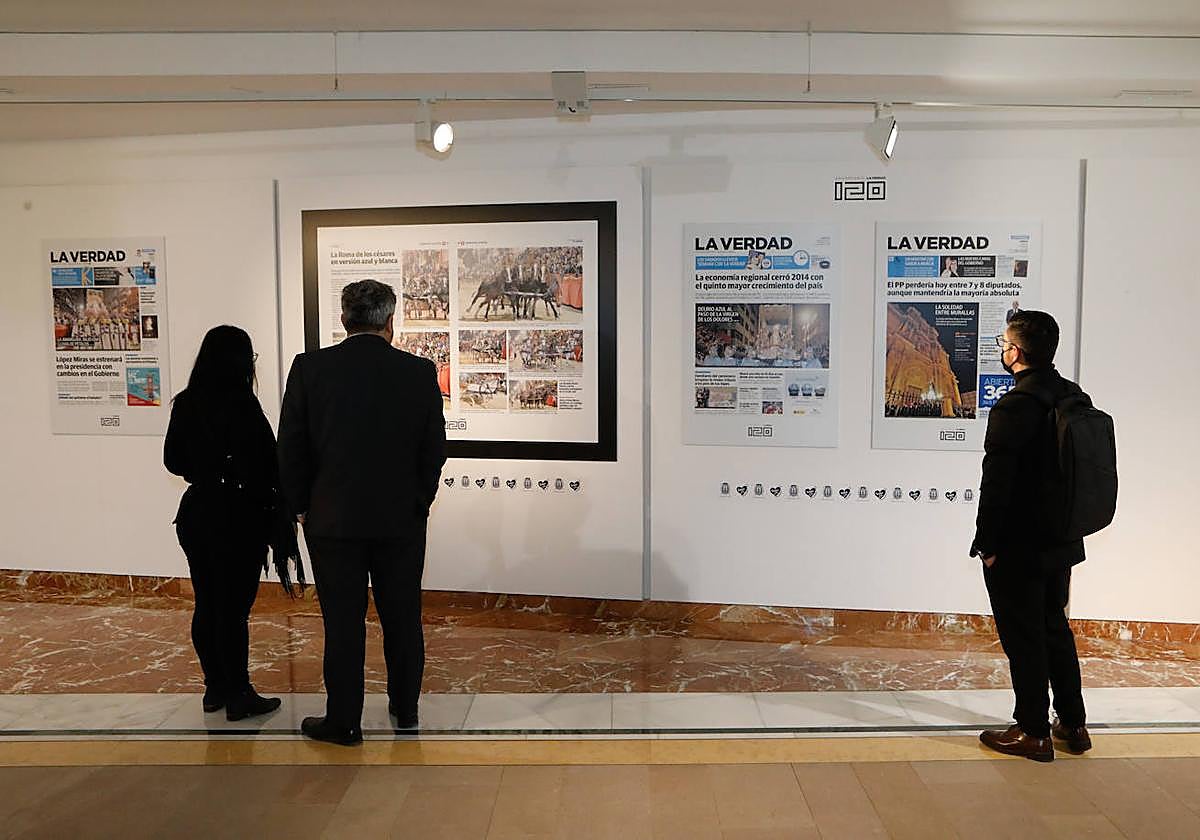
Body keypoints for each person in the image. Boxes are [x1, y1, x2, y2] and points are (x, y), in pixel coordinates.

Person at [278, 279, 447, 746]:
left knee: (343, 622)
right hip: (400, 521)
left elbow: (290, 445)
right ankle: (406, 707)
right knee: (402, 616)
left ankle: (345, 720)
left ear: (343, 319)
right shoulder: (417, 372)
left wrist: (303, 508)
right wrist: (420, 501)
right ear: (390, 322)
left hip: (332, 521)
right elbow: (434, 448)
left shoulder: (311, 369)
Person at [971, 310, 1090, 762]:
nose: (1002, 350)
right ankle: (1073, 725)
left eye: (1004, 343)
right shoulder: (1071, 395)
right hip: (1061, 537)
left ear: (1015, 352)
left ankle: (1033, 730)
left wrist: (987, 545)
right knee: (1054, 627)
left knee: (1023, 637)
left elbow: (996, 484)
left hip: (1019, 543)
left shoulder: (1016, 405)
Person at [164, 326, 289, 722]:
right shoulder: (243, 405)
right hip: (239, 516)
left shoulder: (186, 403)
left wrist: (205, 468)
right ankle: (239, 693)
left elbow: (173, 461)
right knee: (234, 609)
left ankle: (214, 686)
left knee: (207, 602)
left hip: (198, 512)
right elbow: (270, 462)